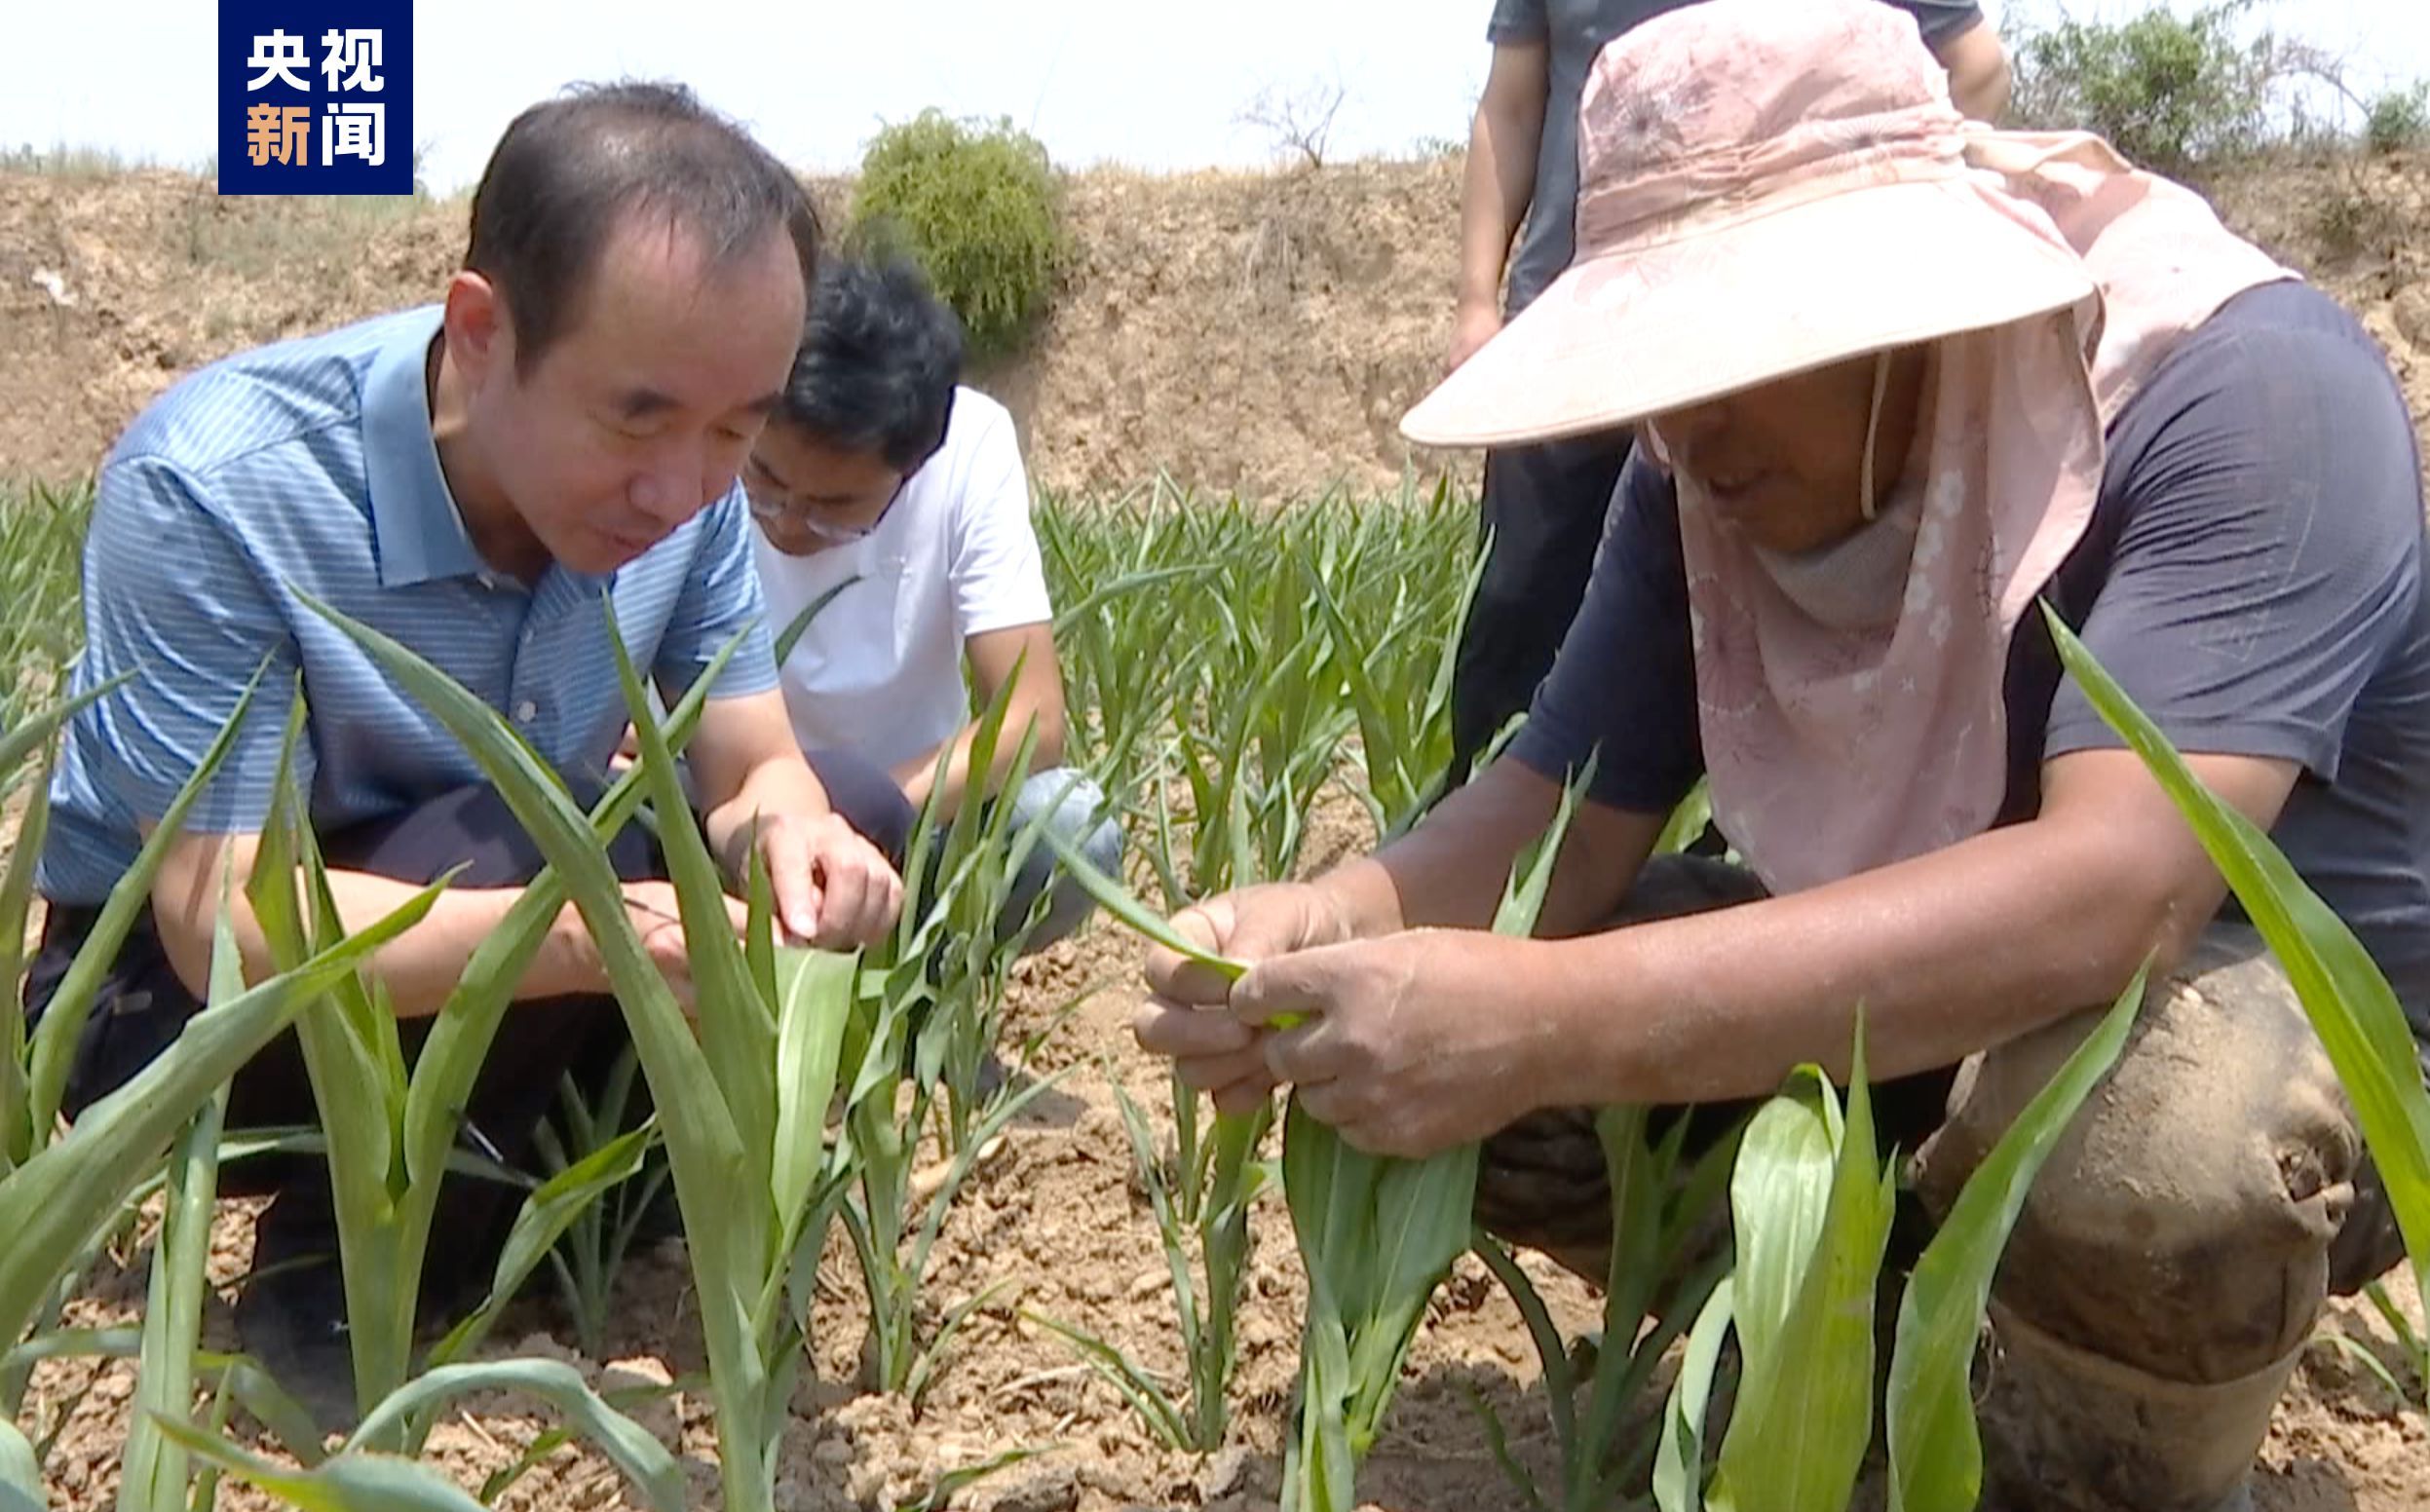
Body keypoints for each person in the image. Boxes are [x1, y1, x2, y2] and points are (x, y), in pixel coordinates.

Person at [1137, 3, 2429, 1508]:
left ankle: (2091, 1461)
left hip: (2256, 1052)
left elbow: (2112, 897)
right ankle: (1866, 1366)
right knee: (1478, 1032)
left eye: (1732, 359)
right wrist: (1332, 920)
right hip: (1926, 1016)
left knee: (2162, 1145)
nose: (1687, 433)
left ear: (1906, 298)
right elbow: (1550, 818)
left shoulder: (2236, 395)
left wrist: (1535, 1019)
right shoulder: (1705, 470)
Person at [25, 82, 903, 1415]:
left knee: (851, 806)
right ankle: (335, 1277)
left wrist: (798, 837)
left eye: (738, 428)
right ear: (483, 333)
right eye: (638, 417)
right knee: (521, 846)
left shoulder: (688, 490)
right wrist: (597, 930)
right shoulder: (218, 487)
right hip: (172, 1003)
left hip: (505, 891)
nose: (683, 488)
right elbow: (223, 928)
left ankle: (585, 1207)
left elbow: (752, 770)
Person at [1442, 0, 2011, 781]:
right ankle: (1505, 811)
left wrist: (1881, 228)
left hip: (1773, 340)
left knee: (1733, 630)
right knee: (1521, 620)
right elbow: (1510, 104)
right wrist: (1476, 302)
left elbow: (1975, 67)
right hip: (1577, 329)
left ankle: (1727, 837)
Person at [743, 253, 1121, 951]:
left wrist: (853, 818)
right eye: (765, 482)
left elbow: (1033, 721)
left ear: (913, 467)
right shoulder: (716, 425)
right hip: (741, 819)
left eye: (833, 509)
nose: (788, 523)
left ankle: (924, 1000)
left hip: (909, 818)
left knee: (1072, 827)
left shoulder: (970, 448)